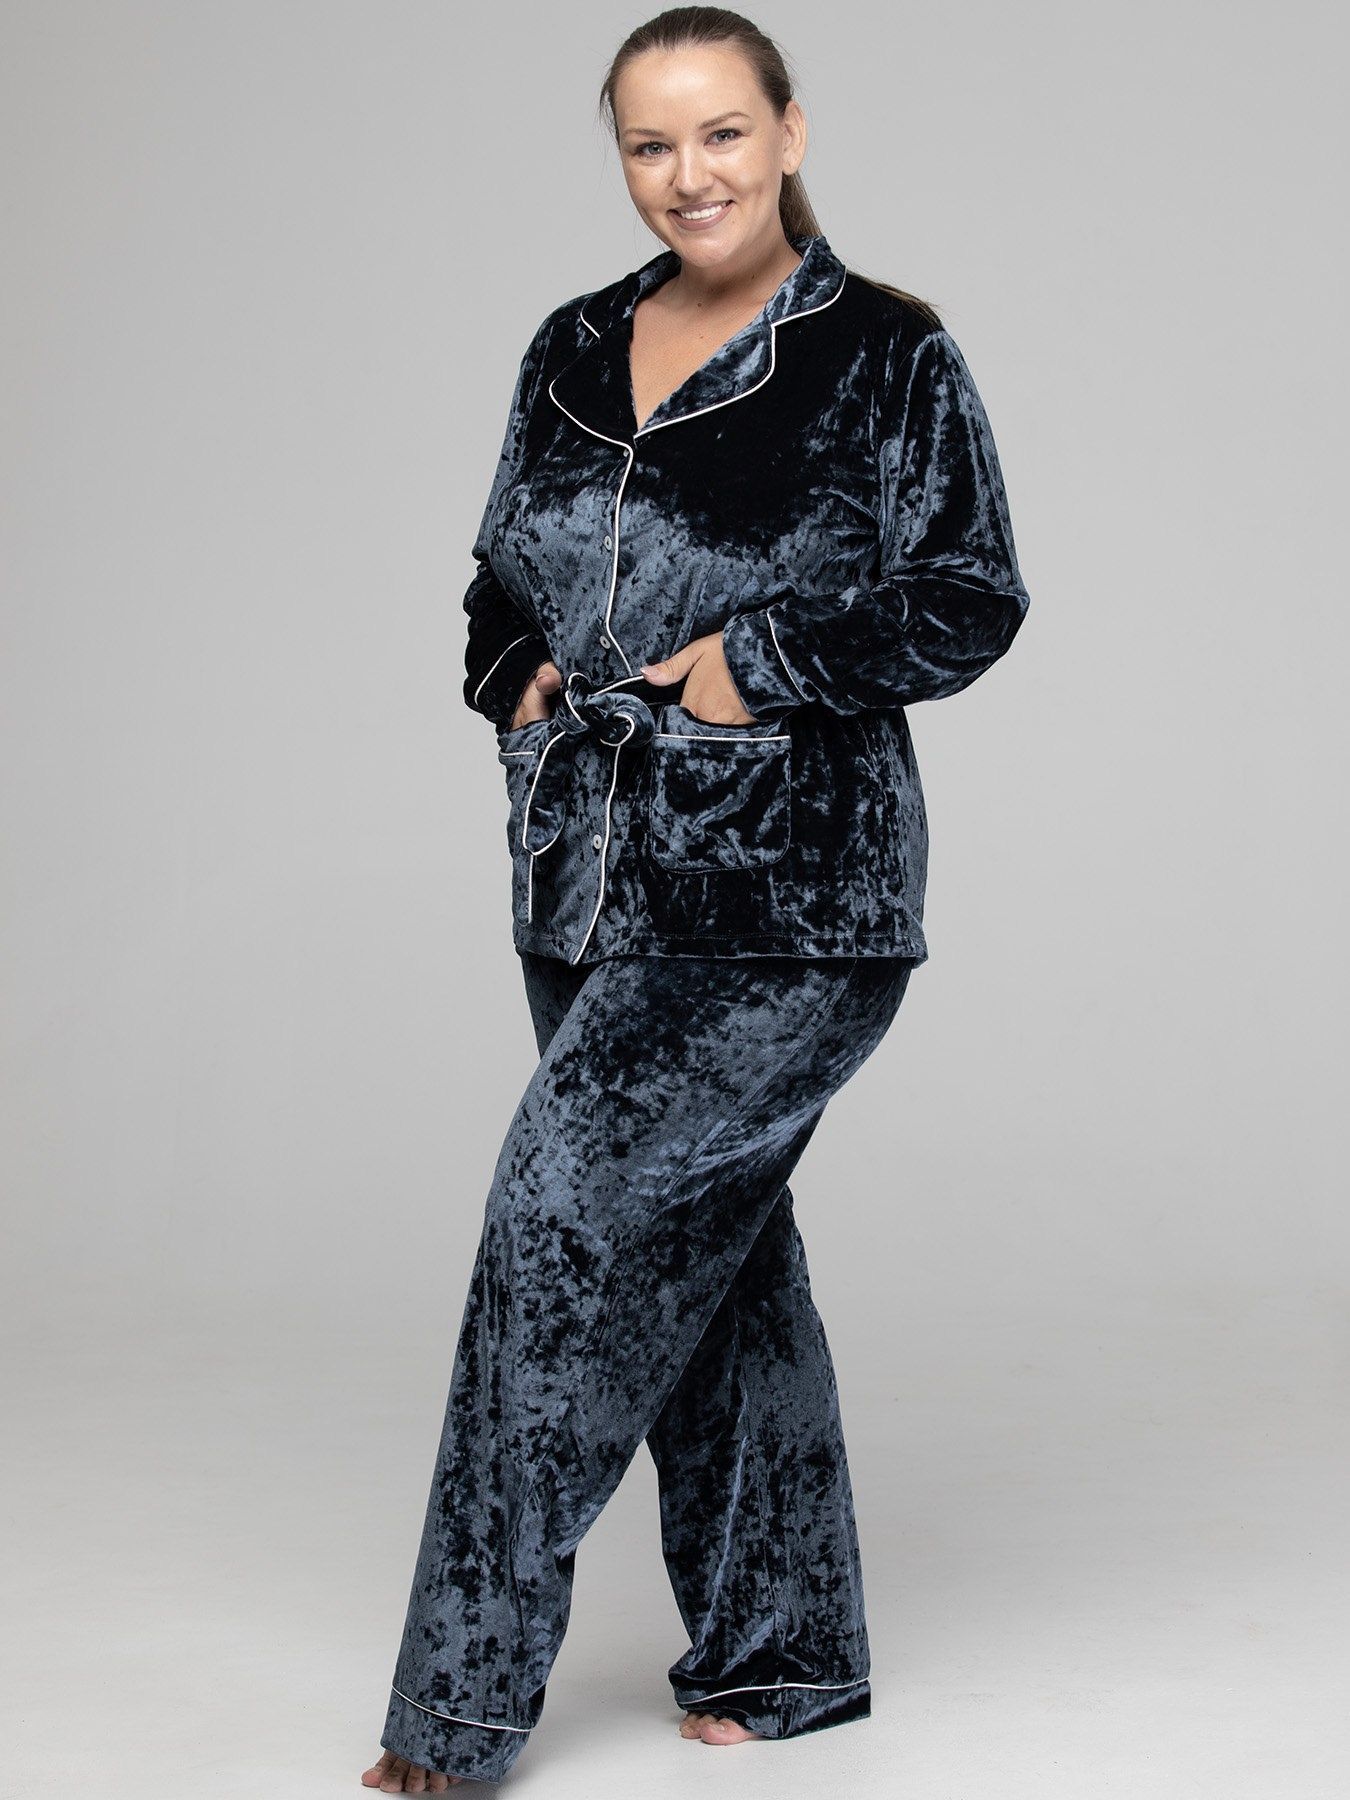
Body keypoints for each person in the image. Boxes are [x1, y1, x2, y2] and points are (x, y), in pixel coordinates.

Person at [363, 6, 1030, 1791]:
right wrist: (510, 676)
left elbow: (967, 595)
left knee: (559, 1240)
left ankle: (452, 1712)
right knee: (712, 1280)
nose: (689, 176)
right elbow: (499, 580)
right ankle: (788, 1656)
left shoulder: (884, 352)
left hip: (784, 898)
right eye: (650, 145)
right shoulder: (573, 344)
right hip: (581, 880)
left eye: (722, 134)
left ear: (789, 133)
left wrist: (755, 665)